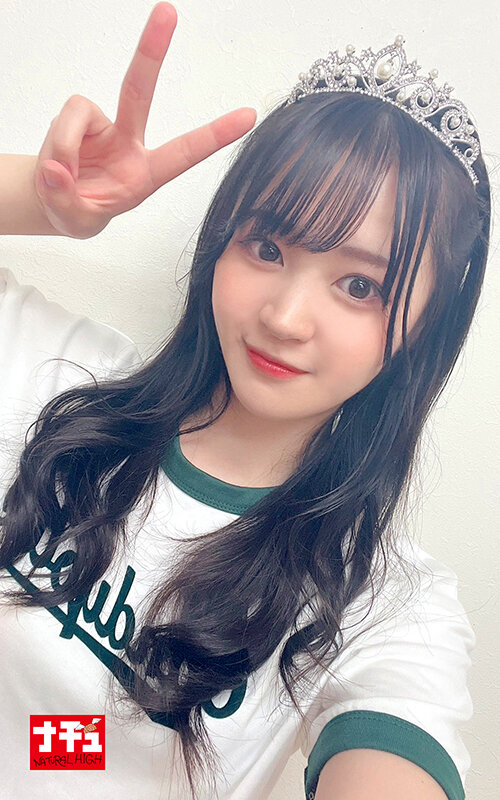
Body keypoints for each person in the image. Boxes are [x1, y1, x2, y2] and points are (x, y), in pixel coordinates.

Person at [0, 3, 490, 800]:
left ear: (423, 328)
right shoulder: (62, 384)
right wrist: (38, 200)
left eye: (359, 286)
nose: (284, 318)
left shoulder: (380, 602)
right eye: (266, 246)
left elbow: (396, 743)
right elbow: (44, 747)